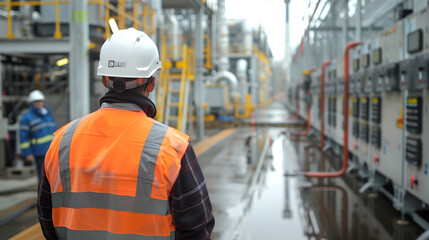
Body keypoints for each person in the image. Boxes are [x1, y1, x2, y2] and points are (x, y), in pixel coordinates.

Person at [37, 28, 215, 239]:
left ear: (104, 80)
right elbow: (198, 228)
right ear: (151, 83)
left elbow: (47, 218)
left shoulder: (61, 141)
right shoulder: (173, 148)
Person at [19, 89, 57, 181]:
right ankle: (43, 194)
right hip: (39, 152)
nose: (39, 103)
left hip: (51, 150)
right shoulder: (26, 118)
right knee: (43, 177)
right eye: (36, 101)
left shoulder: (48, 114)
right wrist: (27, 153)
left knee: (52, 175)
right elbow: (23, 137)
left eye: (40, 100)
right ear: (32, 103)